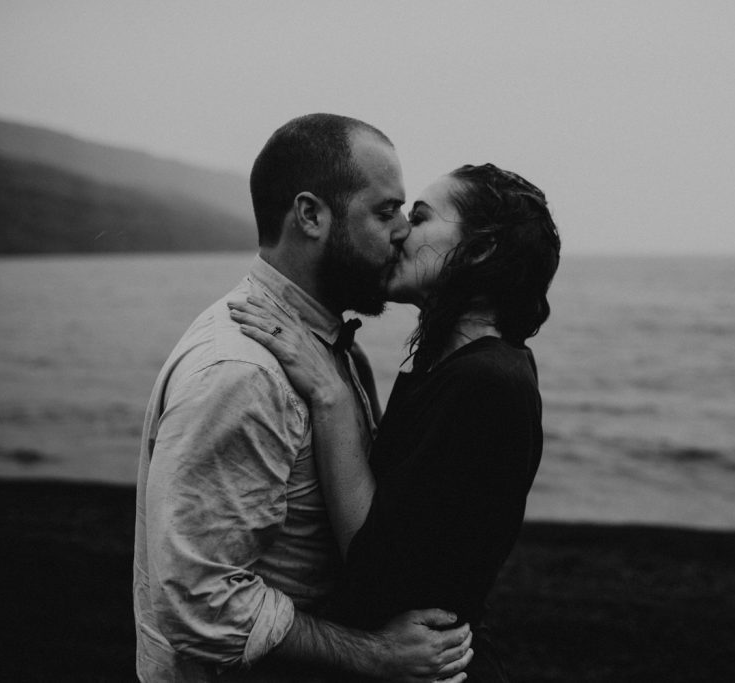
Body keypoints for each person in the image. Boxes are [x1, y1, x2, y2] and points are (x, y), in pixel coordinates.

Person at [133, 114, 473, 682]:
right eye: (385, 211)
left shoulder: (325, 349)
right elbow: (196, 599)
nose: (402, 233)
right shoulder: (244, 373)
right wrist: (376, 655)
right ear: (311, 215)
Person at [229, 163, 561, 682]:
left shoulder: (487, 383)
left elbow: (373, 564)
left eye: (422, 217)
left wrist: (331, 395)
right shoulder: (465, 368)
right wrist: (349, 367)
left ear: (478, 250)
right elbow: (408, 503)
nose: (401, 230)